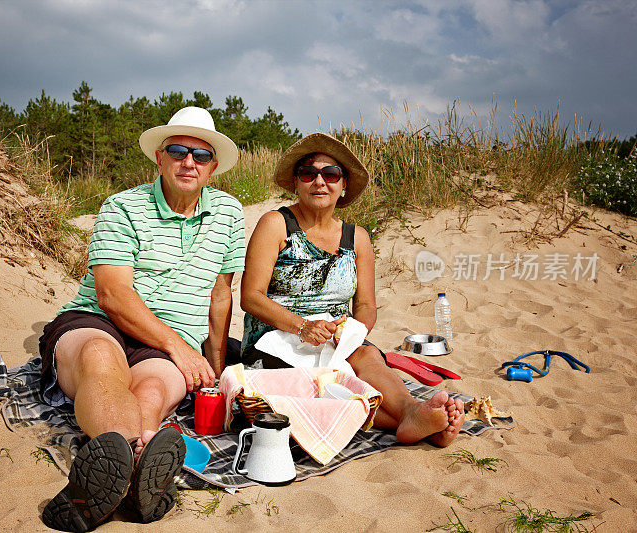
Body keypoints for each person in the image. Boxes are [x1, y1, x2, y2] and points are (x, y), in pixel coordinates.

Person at [38, 107, 245, 531]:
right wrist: (178, 347)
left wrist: (217, 372)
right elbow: (112, 296)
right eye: (178, 151)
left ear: (214, 167)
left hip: (168, 341)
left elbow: (221, 295)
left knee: (151, 391)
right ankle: (135, 468)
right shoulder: (123, 206)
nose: (189, 162)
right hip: (97, 322)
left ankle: (117, 477)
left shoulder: (229, 213)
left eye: (200, 156)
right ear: (160, 157)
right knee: (100, 358)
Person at [240, 132, 464, 448]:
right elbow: (251, 297)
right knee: (323, 384)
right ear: (296, 182)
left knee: (366, 354)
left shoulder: (357, 238)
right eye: (308, 173)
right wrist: (302, 327)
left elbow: (366, 305)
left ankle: (413, 411)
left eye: (330, 174)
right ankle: (412, 419)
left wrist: (352, 331)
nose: (319, 181)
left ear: (343, 184)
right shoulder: (276, 224)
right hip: (276, 340)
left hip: (336, 342)